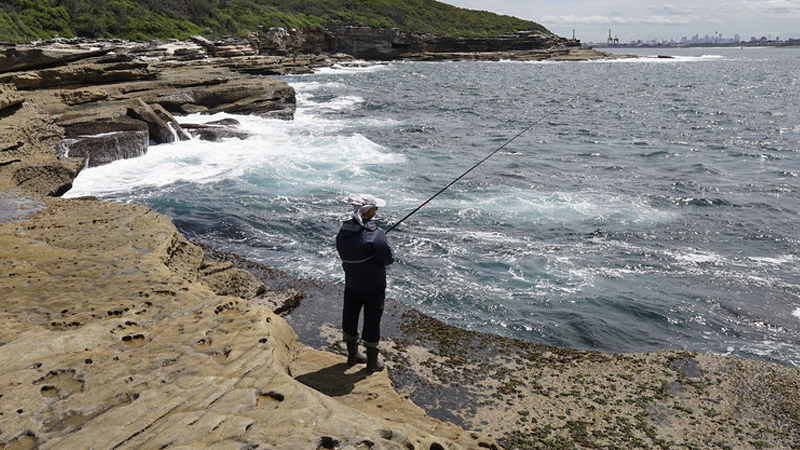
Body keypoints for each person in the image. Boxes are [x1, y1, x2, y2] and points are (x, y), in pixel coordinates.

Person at [336, 194, 395, 372]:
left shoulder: (344, 231)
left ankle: (353, 355)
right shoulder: (375, 234)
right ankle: (371, 362)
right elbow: (388, 258)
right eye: (375, 209)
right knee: (372, 320)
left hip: (352, 283)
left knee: (350, 315)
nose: (376, 211)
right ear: (369, 211)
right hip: (373, 287)